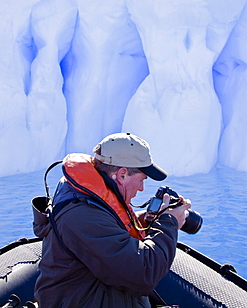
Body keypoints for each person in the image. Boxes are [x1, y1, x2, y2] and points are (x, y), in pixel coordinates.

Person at [32, 132, 191, 308]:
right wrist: (169, 222)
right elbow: (144, 273)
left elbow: (107, 227)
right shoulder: (82, 214)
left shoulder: (86, 197)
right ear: (122, 174)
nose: (141, 188)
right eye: (141, 180)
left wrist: (145, 220)